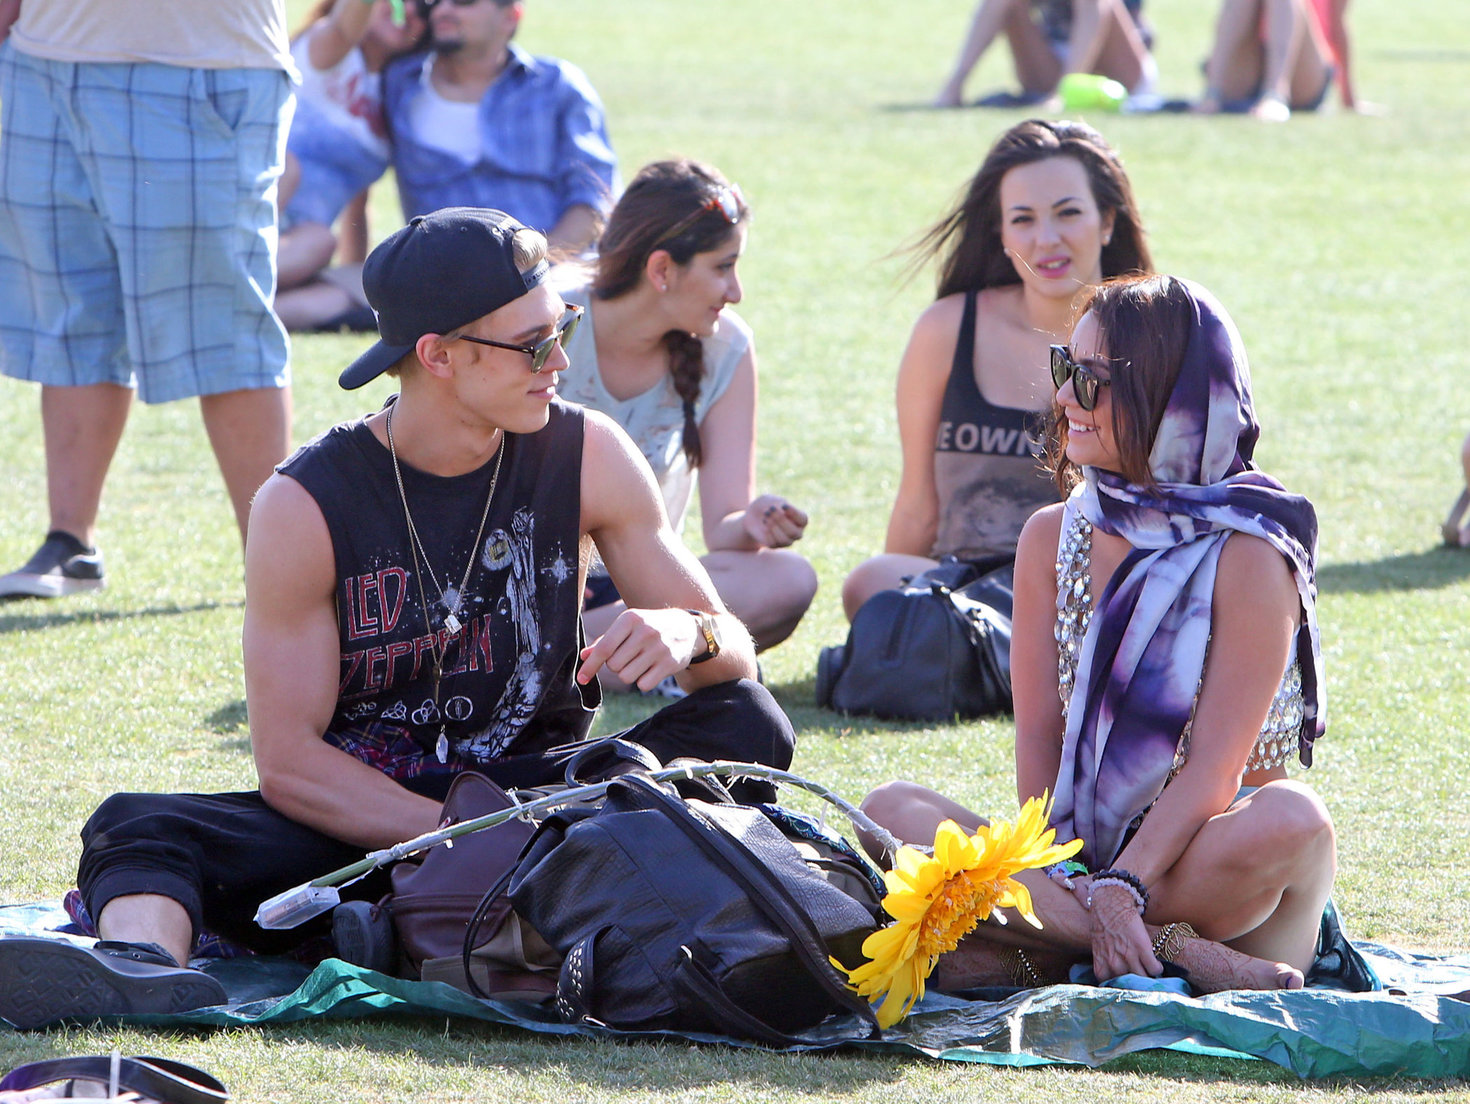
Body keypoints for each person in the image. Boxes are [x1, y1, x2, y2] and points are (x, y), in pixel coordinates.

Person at [0, 208, 795, 1029]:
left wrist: (690, 632)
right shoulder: (305, 503)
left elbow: (733, 657)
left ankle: (412, 922)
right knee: (141, 824)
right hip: (373, 819)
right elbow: (291, 766)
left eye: (562, 327)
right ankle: (140, 972)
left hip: (546, 799)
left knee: (746, 720)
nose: (560, 361)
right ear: (437, 355)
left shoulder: (586, 450)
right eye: (531, 345)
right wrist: (459, 838)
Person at [863, 274, 1336, 993]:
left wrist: (1127, 886)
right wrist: (1072, 877)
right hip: (1082, 862)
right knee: (889, 810)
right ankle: (1172, 953)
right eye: (1064, 369)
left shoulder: (1251, 552)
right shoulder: (1050, 536)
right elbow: (1039, 747)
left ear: (1173, 399)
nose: (1060, 399)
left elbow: (1215, 770)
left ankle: (1041, 941)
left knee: (1294, 818)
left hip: (1218, 873)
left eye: (1091, 380)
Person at [0, 0, 296, 600]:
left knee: (227, 324)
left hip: (200, 64)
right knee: (72, 312)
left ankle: (281, 564)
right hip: (40, 61)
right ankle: (70, 542)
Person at [841, 119, 1152, 622]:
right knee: (871, 583)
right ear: (1001, 233)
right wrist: (891, 623)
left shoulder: (1151, 333)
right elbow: (919, 499)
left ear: (1108, 220)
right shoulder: (946, 328)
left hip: (1083, 589)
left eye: (1068, 213)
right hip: (962, 591)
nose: (1046, 239)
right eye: (1023, 219)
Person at [555, 160, 817, 690]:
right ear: (661, 271)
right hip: (528, 583)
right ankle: (620, 660)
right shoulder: (552, 317)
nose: (737, 290)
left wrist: (755, 522)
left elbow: (724, 523)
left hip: (642, 587)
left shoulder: (727, 347)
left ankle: (569, 660)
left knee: (788, 580)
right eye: (723, 267)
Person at [380, 0, 616, 255]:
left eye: (463, 2)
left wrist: (536, 268)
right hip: (440, 278)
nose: (442, 11)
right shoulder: (397, 83)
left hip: (553, 272)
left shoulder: (557, 85)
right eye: (433, 2)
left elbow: (594, 199)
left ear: (510, 17)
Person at [275, 0, 428, 333]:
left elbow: (358, 200)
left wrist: (354, 277)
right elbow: (345, 26)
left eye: (424, 9)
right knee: (287, 170)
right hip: (257, 206)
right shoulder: (329, 51)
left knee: (326, 254)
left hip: (299, 245)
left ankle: (236, 316)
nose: (411, 11)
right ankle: (219, 285)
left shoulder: (393, 94)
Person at [934, 0, 1156, 109]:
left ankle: (1063, 92)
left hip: (1118, 72)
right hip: (1053, 65)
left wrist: (1063, 93)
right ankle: (953, 87)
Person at [1195, 0, 1355, 121]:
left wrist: (1349, 100)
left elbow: (1337, 26)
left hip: (1304, 72)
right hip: (1249, 65)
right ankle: (1212, 93)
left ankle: (1275, 94)